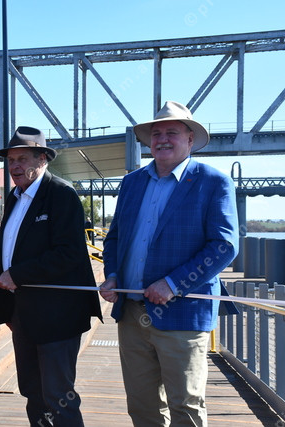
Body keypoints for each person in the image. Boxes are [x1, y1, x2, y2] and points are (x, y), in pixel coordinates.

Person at [99, 101, 239, 426]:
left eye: (171, 132)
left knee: (185, 408)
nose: (162, 139)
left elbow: (224, 246)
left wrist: (173, 284)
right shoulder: (132, 182)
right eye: (156, 133)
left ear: (190, 140)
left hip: (183, 314)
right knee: (142, 407)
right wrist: (113, 274)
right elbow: (115, 238)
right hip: (132, 314)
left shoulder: (213, 182)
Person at [0, 126, 102, 427]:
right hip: (23, 315)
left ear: (43, 159)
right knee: (33, 392)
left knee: (58, 396)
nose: (15, 166)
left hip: (57, 317)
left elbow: (68, 253)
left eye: (22, 159)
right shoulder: (15, 196)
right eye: (11, 160)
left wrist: (17, 274)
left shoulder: (61, 194)